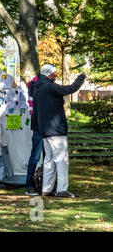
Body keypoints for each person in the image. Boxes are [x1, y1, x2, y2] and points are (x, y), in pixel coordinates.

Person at [33, 64, 86, 198]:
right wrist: (81, 77)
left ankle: (46, 189)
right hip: (56, 129)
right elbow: (70, 89)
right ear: (50, 74)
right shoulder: (50, 86)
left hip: (44, 130)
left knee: (49, 160)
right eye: (55, 73)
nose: (56, 75)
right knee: (61, 159)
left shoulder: (37, 89)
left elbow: (35, 112)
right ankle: (62, 190)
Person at [25, 75, 44, 196]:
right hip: (40, 126)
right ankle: (31, 185)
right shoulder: (38, 86)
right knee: (36, 157)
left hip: (40, 125)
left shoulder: (34, 86)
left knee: (36, 157)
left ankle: (34, 185)